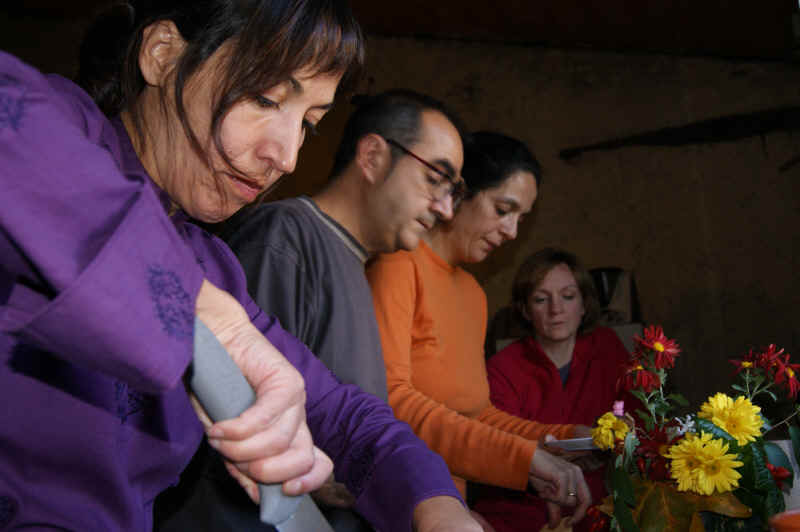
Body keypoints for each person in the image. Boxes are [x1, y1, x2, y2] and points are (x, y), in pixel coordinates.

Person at [0, 1, 482, 530]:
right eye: (264, 97)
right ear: (162, 55)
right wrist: (205, 316)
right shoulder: (58, 130)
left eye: (309, 125)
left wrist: (436, 505)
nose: (287, 156)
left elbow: (344, 414)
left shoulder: (212, 268)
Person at [160, 89, 466, 532]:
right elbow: (228, 417)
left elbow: (339, 409)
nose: (446, 208)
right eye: (437, 178)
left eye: (454, 191)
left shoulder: (354, 263)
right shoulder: (285, 239)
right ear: (374, 156)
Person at [367, 132, 593, 530]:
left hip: (449, 500)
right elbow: (390, 400)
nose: (511, 232)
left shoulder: (473, 294)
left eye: (520, 218)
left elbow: (476, 415)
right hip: (399, 497)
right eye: (503, 209)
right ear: (459, 193)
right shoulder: (399, 265)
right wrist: (522, 459)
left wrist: (569, 438)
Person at [471, 247, 631, 532]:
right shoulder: (501, 367)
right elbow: (498, 446)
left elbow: (631, 411)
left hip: (599, 509)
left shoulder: (608, 347)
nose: (556, 310)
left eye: (568, 297)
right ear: (525, 310)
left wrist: (620, 430)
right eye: (541, 299)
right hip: (521, 512)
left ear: (584, 304)